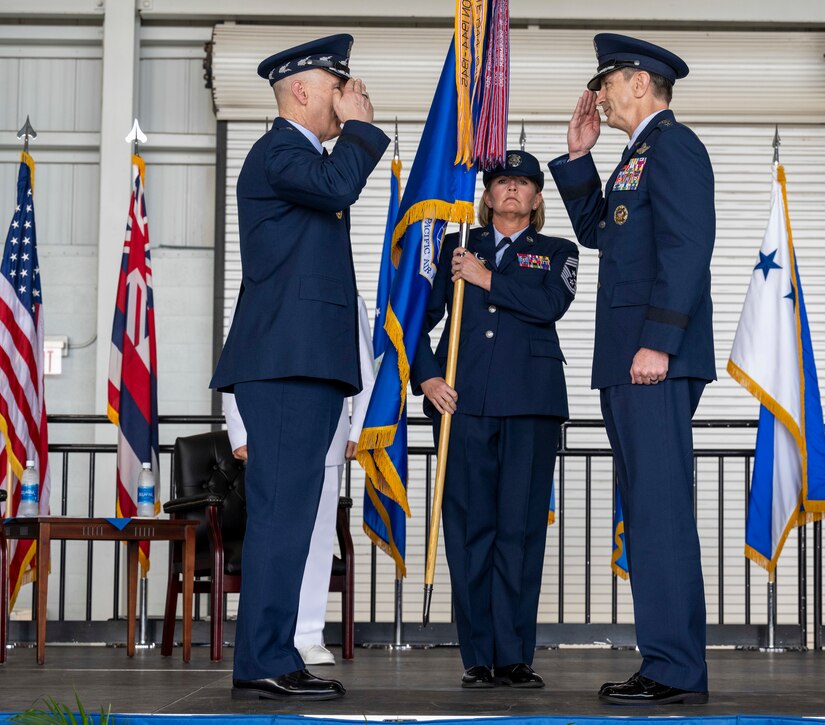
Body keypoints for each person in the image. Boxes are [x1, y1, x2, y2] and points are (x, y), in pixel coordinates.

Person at [209, 33, 388, 701]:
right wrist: (361, 130)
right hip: (286, 364)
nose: (349, 96)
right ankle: (263, 659)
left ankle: (274, 653)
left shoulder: (299, 156)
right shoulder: (279, 151)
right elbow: (339, 183)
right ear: (304, 90)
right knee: (283, 517)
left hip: (304, 362)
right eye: (339, 86)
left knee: (293, 516)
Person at [548, 34, 715, 705]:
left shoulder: (674, 146)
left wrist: (660, 342)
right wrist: (578, 159)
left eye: (607, 82)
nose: (599, 95)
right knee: (647, 512)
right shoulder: (635, 155)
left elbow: (687, 246)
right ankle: (665, 661)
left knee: (660, 513)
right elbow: (601, 231)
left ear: (640, 83)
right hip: (628, 359)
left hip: (652, 360)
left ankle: (675, 669)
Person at [411, 150, 578, 690]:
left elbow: (550, 305)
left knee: (520, 533)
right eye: (501, 181)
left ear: (536, 197)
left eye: (522, 183)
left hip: (530, 406)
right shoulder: (455, 246)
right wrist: (427, 377)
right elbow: (416, 318)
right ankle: (478, 656)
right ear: (485, 195)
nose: (511, 189)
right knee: (470, 532)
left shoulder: (558, 251)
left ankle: (514, 657)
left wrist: (485, 279)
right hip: (463, 406)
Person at [222, 293, 375, 668]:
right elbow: (236, 363)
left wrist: (358, 429)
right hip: (269, 434)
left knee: (317, 540)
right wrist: (239, 432)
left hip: (326, 436)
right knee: (273, 537)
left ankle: (307, 635)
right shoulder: (259, 288)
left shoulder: (345, 296)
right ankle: (268, 637)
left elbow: (364, 371)